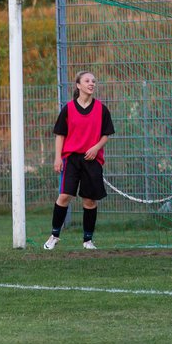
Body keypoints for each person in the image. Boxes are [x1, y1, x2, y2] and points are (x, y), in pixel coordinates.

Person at [44, 70, 114, 251]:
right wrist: (57, 158)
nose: (91, 83)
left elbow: (106, 134)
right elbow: (60, 135)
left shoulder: (101, 109)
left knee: (89, 201)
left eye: (93, 81)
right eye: (87, 80)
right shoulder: (68, 108)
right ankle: (54, 235)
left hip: (92, 159)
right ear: (78, 85)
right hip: (71, 159)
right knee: (64, 196)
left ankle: (88, 240)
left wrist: (96, 147)